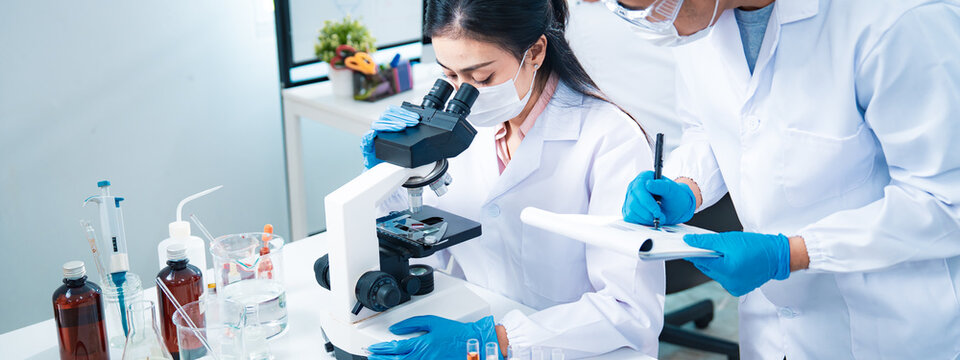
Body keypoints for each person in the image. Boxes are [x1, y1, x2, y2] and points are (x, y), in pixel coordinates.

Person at [603, 0, 960, 358]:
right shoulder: (705, 24)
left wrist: (789, 254)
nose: (654, 24)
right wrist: (686, 186)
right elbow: (714, 129)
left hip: (890, 328)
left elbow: (946, 200)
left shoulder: (899, 19)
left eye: (657, 7)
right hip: (772, 330)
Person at [360, 0, 666, 358]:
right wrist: (385, 176)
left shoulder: (611, 140)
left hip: (577, 348)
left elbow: (631, 311)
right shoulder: (447, 130)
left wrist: (499, 341)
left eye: (481, 78)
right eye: (449, 76)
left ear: (535, 52)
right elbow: (424, 247)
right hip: (471, 319)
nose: (463, 95)